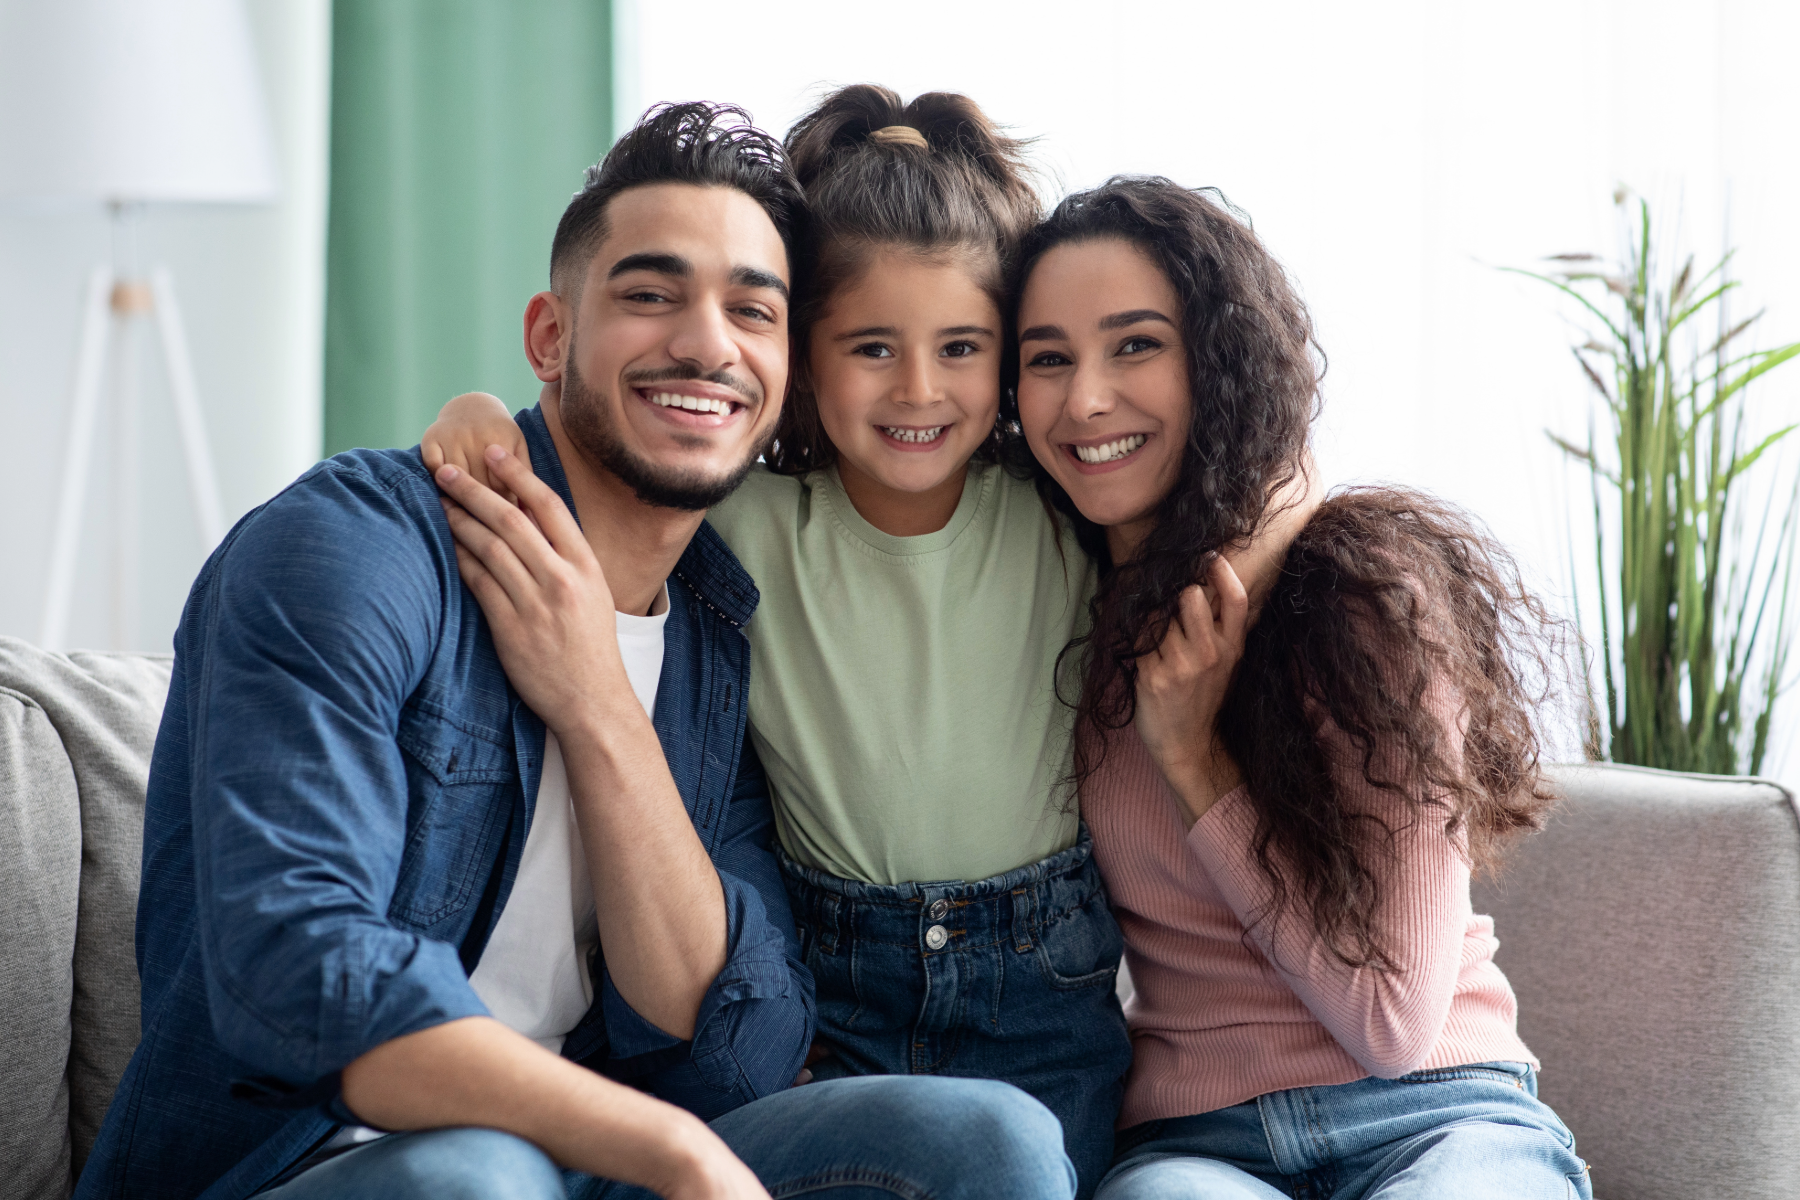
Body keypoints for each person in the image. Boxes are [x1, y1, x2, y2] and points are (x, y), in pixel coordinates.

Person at [76, 102, 1073, 1200]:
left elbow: (736, 1045)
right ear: (551, 338)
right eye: (650, 296)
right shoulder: (354, 549)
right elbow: (300, 967)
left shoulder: (715, 633)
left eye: (753, 310)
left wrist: (598, 703)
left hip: (579, 1166)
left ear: (786, 368)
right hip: (312, 1167)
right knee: (482, 1176)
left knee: (993, 1141)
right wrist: (669, 1149)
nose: (707, 343)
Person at [424, 84, 1131, 1199]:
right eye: (872, 347)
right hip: (831, 997)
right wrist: (469, 413)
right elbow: (580, 464)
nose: (918, 389)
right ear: (801, 355)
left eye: (961, 347)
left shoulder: (1059, 514)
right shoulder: (740, 523)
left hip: (1046, 999)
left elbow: (1215, 489)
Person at [1009, 177, 1594, 1199]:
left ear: (1221, 362)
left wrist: (1193, 758)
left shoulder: (1364, 600)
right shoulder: (1055, 605)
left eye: (1136, 344)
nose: (1086, 399)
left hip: (1438, 1115)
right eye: (1047, 358)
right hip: (1201, 1146)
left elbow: (1392, 1024)